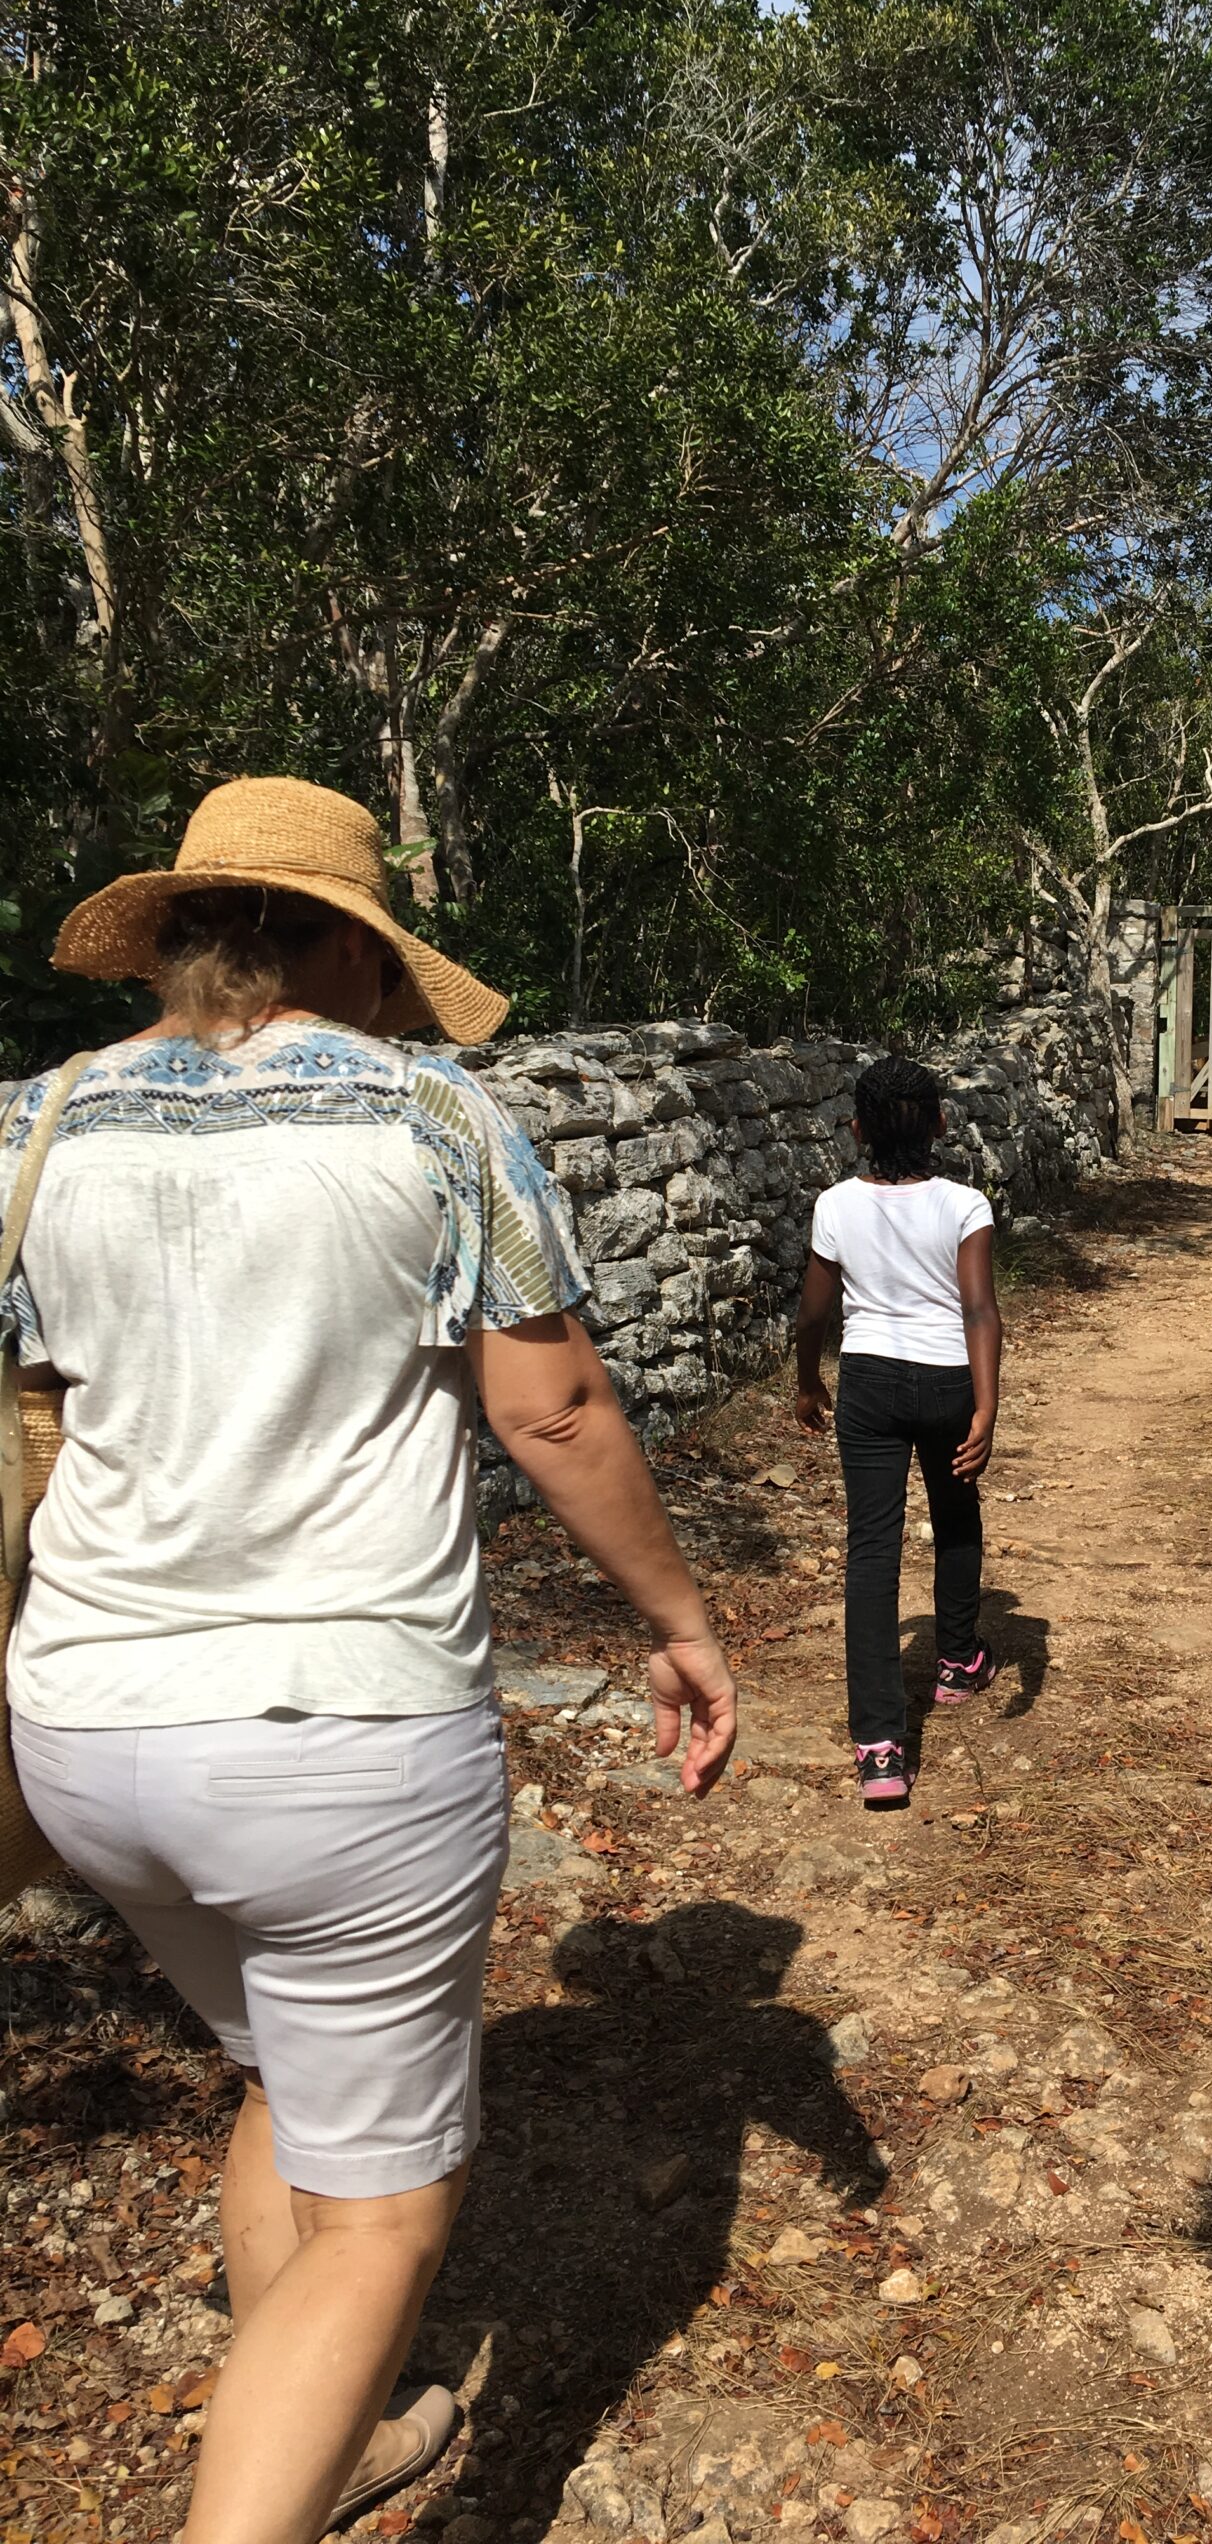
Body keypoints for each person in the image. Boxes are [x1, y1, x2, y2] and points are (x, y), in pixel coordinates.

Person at [1, 777, 737, 2544]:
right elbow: (554, 1411)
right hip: (343, 1736)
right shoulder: (431, 1117)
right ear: (347, 947)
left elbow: (41, 1407)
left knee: (287, 2078)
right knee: (389, 2220)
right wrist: (681, 1621)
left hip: (86, 1727)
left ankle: (329, 2423)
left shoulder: (38, 1121)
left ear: (181, 938)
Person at [794, 1054, 1003, 1804]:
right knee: (955, 1509)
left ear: (857, 1131)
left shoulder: (835, 1206)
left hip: (870, 1383)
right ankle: (958, 1661)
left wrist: (806, 1379)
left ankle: (880, 1748)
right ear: (940, 1123)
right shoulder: (965, 1206)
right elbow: (979, 1309)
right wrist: (986, 1407)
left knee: (872, 1552)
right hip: (948, 1380)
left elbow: (815, 1311)